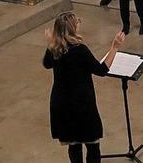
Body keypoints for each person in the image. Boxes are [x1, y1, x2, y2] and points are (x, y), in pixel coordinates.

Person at [43, 11, 126, 163]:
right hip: (81, 104)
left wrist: (50, 44)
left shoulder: (55, 49)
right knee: (92, 146)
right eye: (78, 21)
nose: (80, 23)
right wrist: (114, 48)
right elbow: (101, 70)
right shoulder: (80, 50)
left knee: (74, 146)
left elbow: (46, 64)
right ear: (73, 28)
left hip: (61, 104)